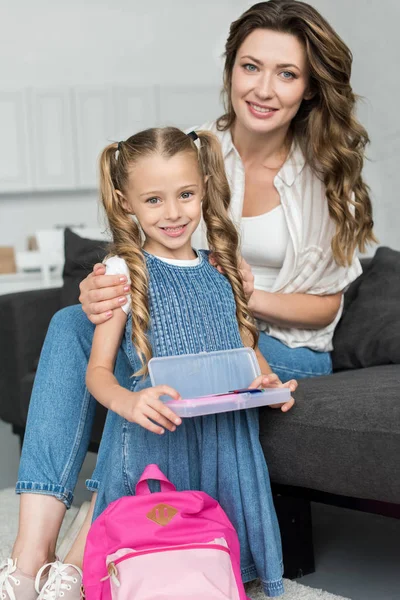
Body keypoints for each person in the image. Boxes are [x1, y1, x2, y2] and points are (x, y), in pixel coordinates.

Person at [1, 0, 376, 598]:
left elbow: (328, 308)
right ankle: (31, 553)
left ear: (308, 88)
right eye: (251, 66)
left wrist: (250, 297)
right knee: (74, 322)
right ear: (231, 70)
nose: (264, 88)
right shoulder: (199, 152)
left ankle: (87, 548)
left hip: (279, 345)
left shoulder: (327, 177)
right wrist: (102, 290)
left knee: (145, 357)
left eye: (287, 73)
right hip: (178, 330)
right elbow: (143, 247)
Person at [86, 126, 296, 598]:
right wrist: (129, 402)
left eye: (185, 194)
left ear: (203, 186)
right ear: (126, 203)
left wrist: (267, 381)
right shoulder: (123, 271)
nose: (174, 212)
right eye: (154, 200)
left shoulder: (221, 267)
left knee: (219, 566)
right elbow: (98, 372)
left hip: (225, 436)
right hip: (159, 437)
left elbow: (248, 351)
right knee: (154, 557)